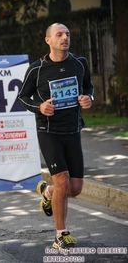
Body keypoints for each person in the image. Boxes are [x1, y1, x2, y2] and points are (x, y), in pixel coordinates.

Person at [18, 23, 94, 252]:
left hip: (73, 130)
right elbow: (22, 97)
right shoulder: (37, 69)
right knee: (62, 180)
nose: (65, 38)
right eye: (59, 34)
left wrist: (88, 98)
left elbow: (88, 87)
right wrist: (39, 107)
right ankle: (60, 235)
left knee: (75, 188)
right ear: (48, 40)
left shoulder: (80, 63)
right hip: (49, 132)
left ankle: (47, 191)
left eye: (67, 34)